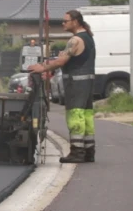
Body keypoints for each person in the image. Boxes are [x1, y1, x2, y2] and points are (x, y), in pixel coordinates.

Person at [29, 9, 96, 163]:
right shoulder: (88, 37)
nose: (63, 23)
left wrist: (42, 68)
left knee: (75, 115)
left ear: (75, 21)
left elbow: (61, 61)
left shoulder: (75, 40)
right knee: (86, 116)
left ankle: (77, 152)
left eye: (66, 21)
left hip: (76, 83)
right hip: (87, 83)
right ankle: (88, 151)